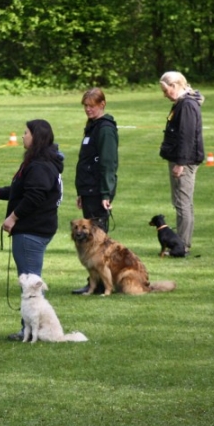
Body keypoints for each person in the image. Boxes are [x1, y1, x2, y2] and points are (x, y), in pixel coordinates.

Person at [0, 119, 64, 341]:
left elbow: (34, 196)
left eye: (26, 133)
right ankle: (35, 328)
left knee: (30, 282)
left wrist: (13, 218)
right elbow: (20, 190)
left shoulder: (39, 165)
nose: (23, 136)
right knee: (31, 279)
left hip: (31, 230)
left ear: (36, 137)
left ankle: (32, 330)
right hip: (38, 228)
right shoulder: (40, 161)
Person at [72, 87, 119, 295]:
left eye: (91, 106)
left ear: (102, 104)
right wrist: (82, 192)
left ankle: (102, 284)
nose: (88, 110)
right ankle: (95, 282)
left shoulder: (105, 129)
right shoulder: (92, 126)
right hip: (89, 189)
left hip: (98, 191)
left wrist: (106, 193)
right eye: (85, 106)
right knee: (91, 243)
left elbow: (108, 163)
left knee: (99, 244)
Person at [158, 71, 205, 254]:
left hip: (184, 160)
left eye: (165, 90)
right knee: (184, 202)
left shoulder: (186, 105)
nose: (164, 94)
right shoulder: (185, 103)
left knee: (182, 203)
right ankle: (183, 242)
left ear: (175, 85)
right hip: (184, 158)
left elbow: (186, 137)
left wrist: (180, 163)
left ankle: (181, 245)